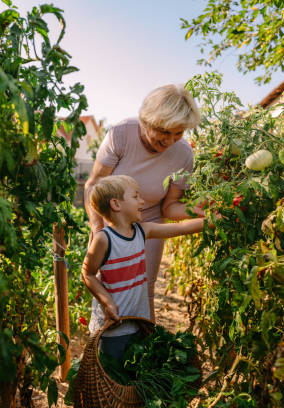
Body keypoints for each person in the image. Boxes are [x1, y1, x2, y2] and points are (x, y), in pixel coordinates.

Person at [84, 83, 203, 321]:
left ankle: (143, 344)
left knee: (144, 288)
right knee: (109, 285)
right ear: (147, 122)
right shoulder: (121, 134)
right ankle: (104, 340)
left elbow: (169, 207)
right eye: (164, 131)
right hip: (112, 222)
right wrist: (98, 230)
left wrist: (198, 211)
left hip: (148, 220)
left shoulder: (183, 154)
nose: (170, 141)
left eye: (178, 133)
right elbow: (94, 185)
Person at [82, 175, 205, 360]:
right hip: (114, 327)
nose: (143, 201)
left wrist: (211, 222)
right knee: (114, 375)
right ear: (116, 204)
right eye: (136, 196)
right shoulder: (103, 239)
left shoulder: (142, 230)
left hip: (139, 321)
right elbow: (88, 274)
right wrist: (107, 302)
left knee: (134, 372)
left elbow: (181, 228)